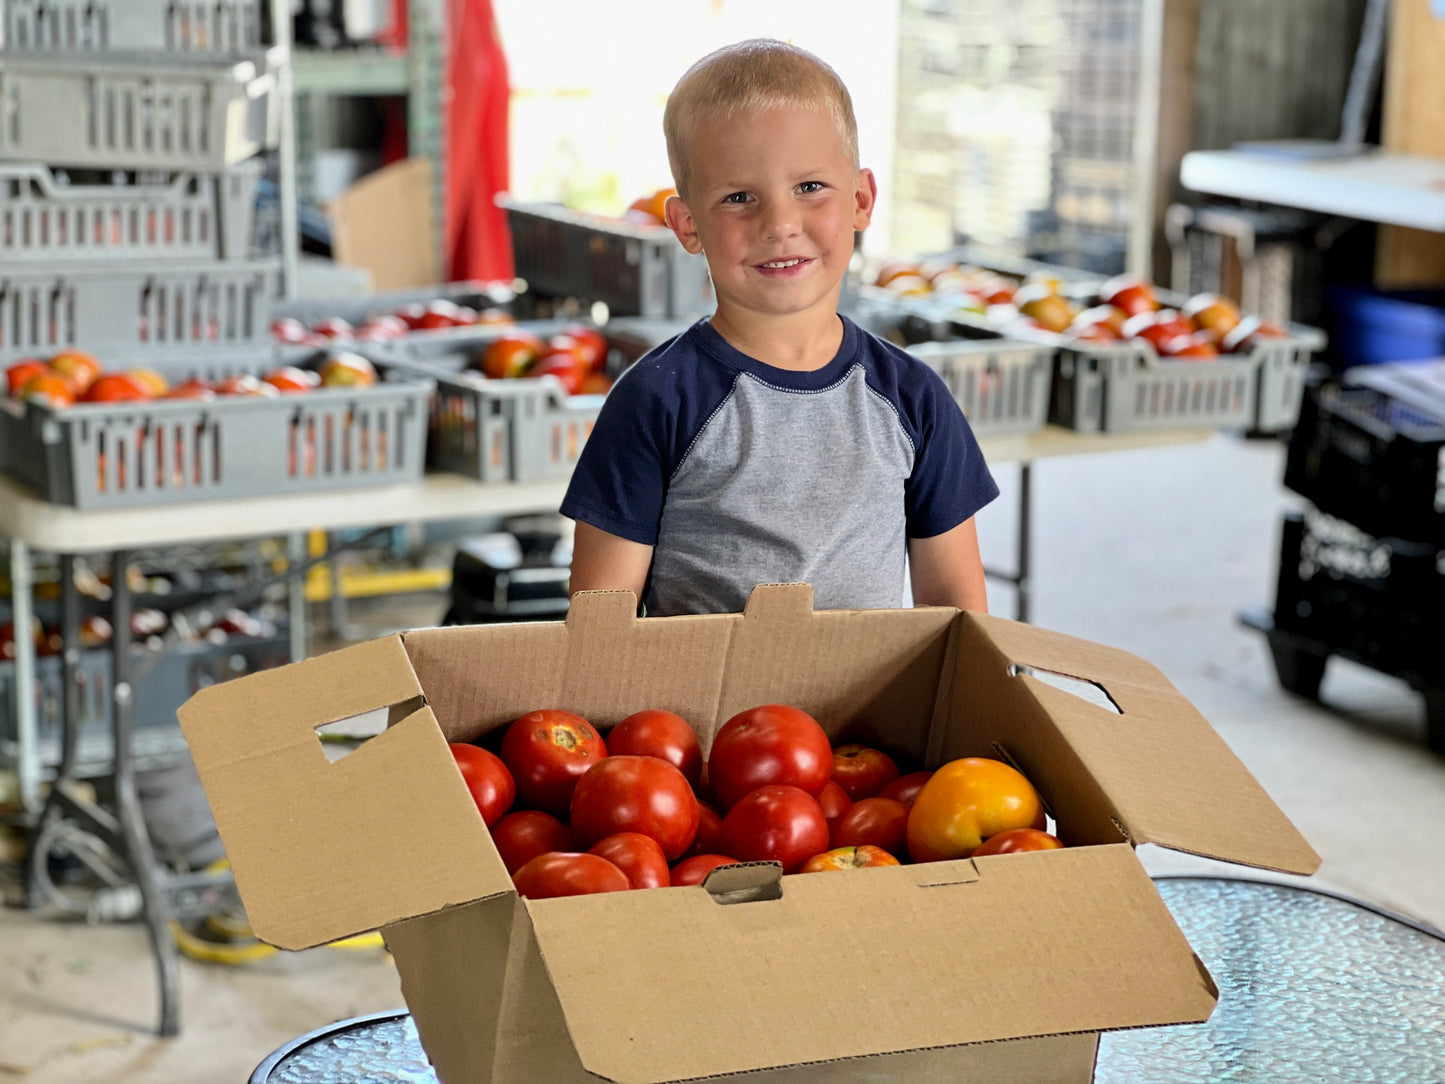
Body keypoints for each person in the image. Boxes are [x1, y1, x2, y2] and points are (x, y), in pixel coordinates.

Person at [561, 38, 998, 617]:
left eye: (810, 187)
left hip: (867, 708)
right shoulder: (654, 400)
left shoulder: (915, 399)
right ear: (687, 225)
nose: (780, 224)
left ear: (862, 200)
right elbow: (600, 629)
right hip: (703, 710)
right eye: (739, 197)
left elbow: (958, 617)